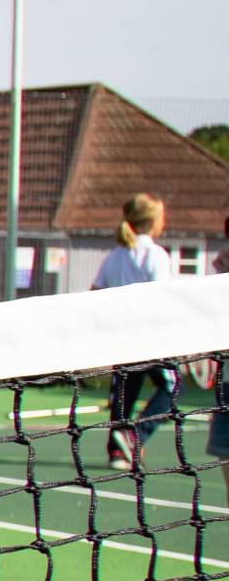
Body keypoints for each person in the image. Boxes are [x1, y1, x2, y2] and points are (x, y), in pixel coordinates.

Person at [94, 192, 181, 470]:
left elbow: (94, 293)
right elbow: (163, 298)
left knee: (124, 395)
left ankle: (117, 452)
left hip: (121, 340)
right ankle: (135, 438)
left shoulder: (113, 257)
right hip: (150, 338)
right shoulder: (156, 255)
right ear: (153, 221)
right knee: (171, 389)